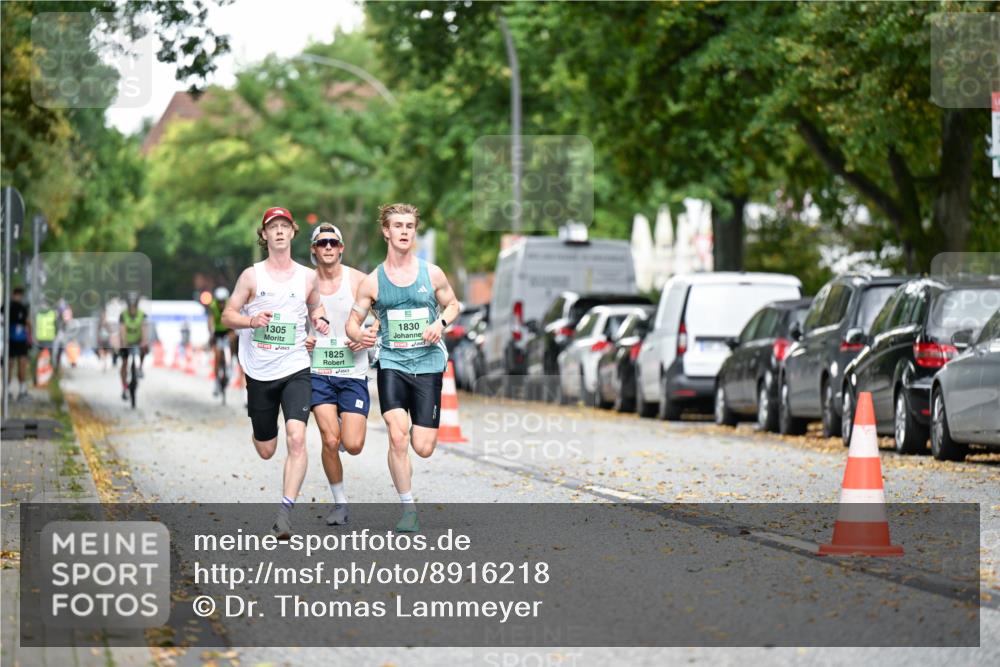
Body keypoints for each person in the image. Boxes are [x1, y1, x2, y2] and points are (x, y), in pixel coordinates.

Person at [347, 203, 460, 533]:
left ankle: (418, 432)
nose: (405, 231)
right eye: (398, 226)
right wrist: (363, 334)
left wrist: (439, 323)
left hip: (427, 363)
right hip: (392, 364)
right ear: (386, 231)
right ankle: (408, 508)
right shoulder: (372, 282)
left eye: (410, 226)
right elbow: (352, 323)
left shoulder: (432, 273)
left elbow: (454, 304)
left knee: (423, 448)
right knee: (397, 436)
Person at [221, 206, 329, 540]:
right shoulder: (252, 276)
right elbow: (228, 315)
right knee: (267, 448)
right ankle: (257, 417)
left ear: (293, 232)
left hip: (296, 366)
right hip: (259, 371)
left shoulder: (308, 276)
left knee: (297, 439)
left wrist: (321, 321)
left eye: (285, 226)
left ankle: (285, 514)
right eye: (273, 227)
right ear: (264, 235)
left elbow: (315, 305)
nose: (279, 231)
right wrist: (251, 321)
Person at [304, 223, 378, 526]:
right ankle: (340, 504)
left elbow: (380, 319)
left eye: (333, 242)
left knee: (354, 444)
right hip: (318, 371)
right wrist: (303, 341)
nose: (328, 247)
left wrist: (368, 334)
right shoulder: (305, 283)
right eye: (322, 243)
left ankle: (344, 425)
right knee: (330, 440)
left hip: (354, 370)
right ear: (314, 250)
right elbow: (294, 322)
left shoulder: (358, 280)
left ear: (342, 248)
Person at [208, 286, 238, 396]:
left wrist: (234, 332)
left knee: (232, 342)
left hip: (228, 330)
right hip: (217, 332)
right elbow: (210, 320)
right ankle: (216, 382)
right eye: (219, 301)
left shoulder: (231, 305)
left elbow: (235, 318)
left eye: (222, 301)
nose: (221, 304)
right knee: (216, 355)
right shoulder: (213, 306)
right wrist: (211, 333)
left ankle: (231, 362)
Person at [118, 292, 149, 399]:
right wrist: (124, 342)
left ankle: (140, 367)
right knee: (124, 363)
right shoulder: (123, 315)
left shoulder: (142, 314)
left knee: (145, 348)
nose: (132, 308)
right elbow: (122, 330)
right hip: (126, 341)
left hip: (138, 340)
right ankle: (124, 387)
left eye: (134, 306)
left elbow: (144, 328)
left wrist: (144, 341)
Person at [4, 287, 31, 398]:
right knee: (17, 365)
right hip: (17, 340)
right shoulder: (19, 307)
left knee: (12, 365)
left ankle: (11, 390)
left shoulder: (7, 306)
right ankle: (20, 390)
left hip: (11, 339)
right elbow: (28, 323)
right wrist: (30, 338)